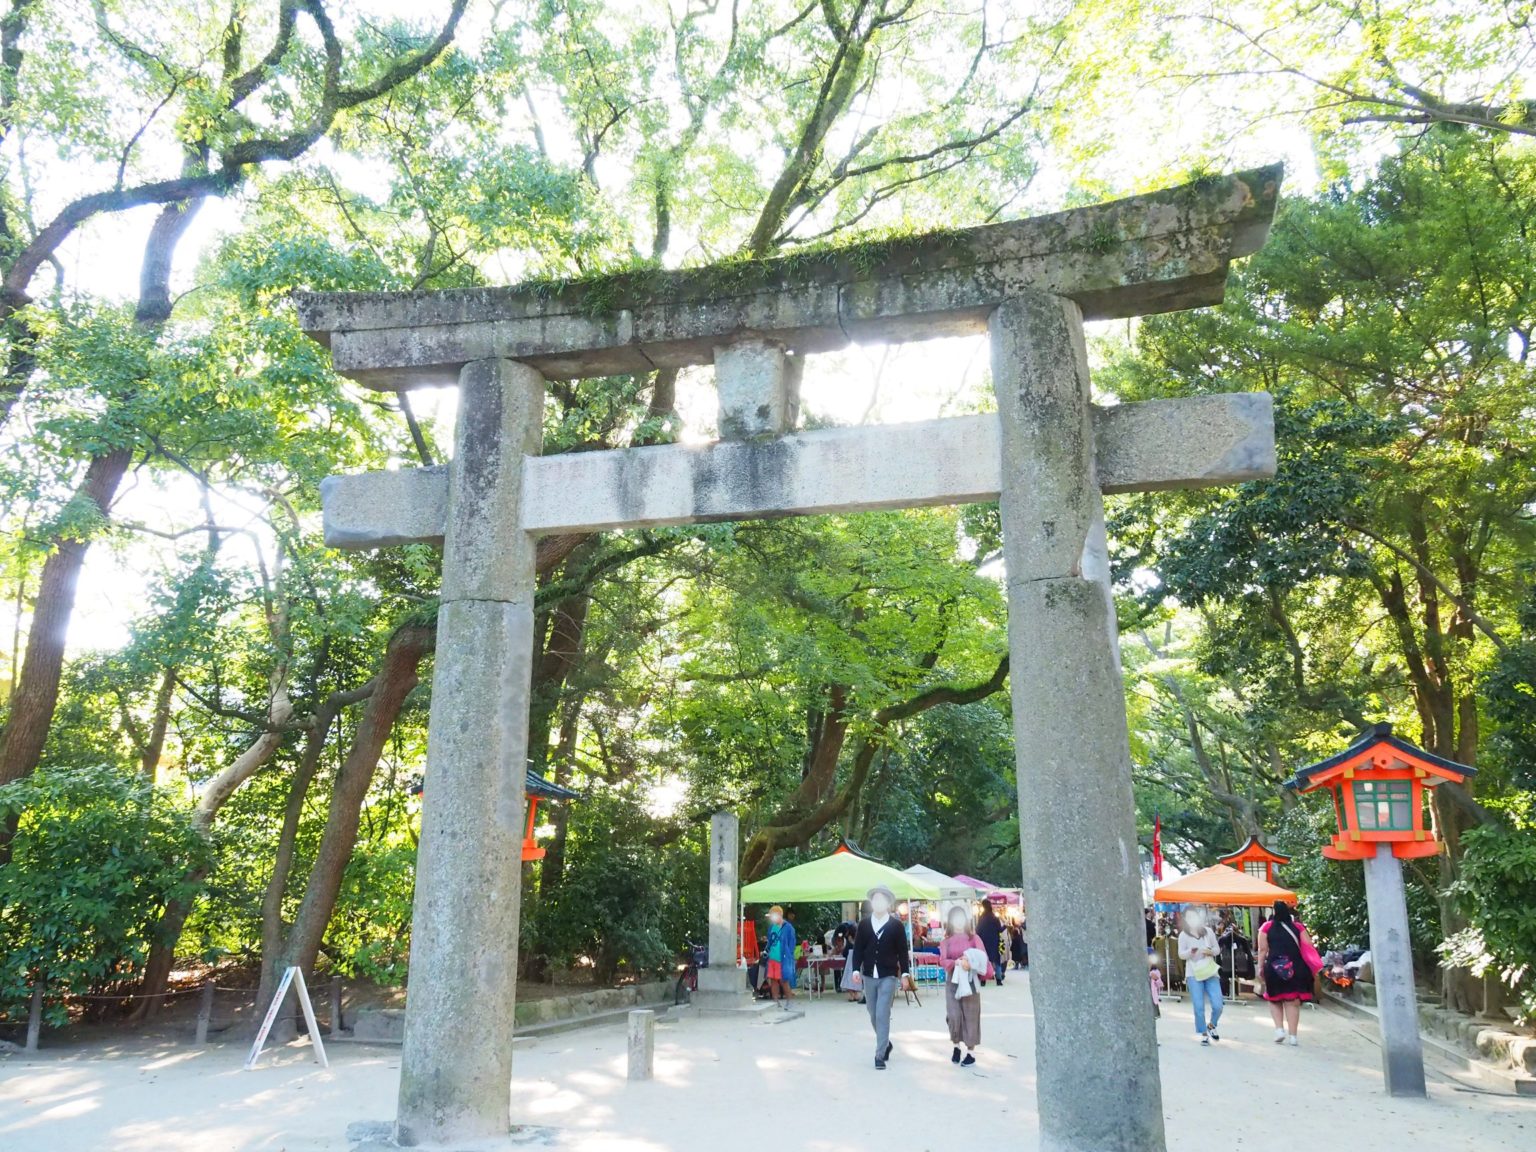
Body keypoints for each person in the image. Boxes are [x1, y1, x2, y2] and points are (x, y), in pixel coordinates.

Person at [851, 884, 911, 1069]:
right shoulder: (864, 924)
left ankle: (879, 1055)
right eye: (875, 899)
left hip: (888, 976)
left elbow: (902, 952)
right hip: (869, 975)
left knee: (882, 1013)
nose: (878, 903)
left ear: (888, 903)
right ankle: (885, 1043)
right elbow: (858, 949)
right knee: (872, 1013)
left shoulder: (896, 926)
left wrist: (905, 974)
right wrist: (855, 970)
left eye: (882, 900)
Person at [1257, 900, 1315, 1045]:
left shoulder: (1266, 927)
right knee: (1292, 1002)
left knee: (1274, 999)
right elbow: (1308, 944)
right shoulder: (1298, 927)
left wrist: (1260, 967)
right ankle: (1293, 1037)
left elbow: (1262, 949)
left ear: (1274, 912)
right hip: (1296, 967)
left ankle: (1279, 1030)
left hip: (1275, 967)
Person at [938, 907, 992, 1066]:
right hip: (953, 980)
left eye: (961, 917)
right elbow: (942, 960)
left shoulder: (974, 938)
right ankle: (956, 1046)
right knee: (953, 1014)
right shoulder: (946, 941)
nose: (959, 921)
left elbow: (982, 957)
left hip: (970, 979)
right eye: (955, 918)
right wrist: (955, 962)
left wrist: (971, 963)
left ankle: (971, 1053)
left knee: (971, 1015)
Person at [1177, 906, 1223, 1045]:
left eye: (1194, 916)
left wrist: (1209, 951)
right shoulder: (1183, 935)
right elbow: (1181, 954)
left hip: (1210, 971)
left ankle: (1212, 1025)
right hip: (1193, 973)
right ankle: (1203, 1033)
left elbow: (1217, 949)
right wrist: (1190, 952)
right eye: (1189, 917)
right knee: (1198, 1006)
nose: (1192, 919)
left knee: (1218, 1005)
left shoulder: (1208, 932)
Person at [763, 905, 797, 1009]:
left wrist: (789, 954)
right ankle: (775, 1002)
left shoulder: (788, 927)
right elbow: (769, 941)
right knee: (773, 980)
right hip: (772, 958)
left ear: (780, 915)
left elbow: (792, 942)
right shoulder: (771, 927)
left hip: (783, 958)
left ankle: (789, 1001)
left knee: (784, 980)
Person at [976, 903, 1004, 986]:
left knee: (984, 960)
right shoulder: (995, 918)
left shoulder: (981, 918)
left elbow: (978, 931)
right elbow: (1000, 929)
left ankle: (983, 980)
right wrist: (1005, 926)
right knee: (996, 961)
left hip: (984, 942)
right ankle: (998, 980)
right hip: (994, 942)